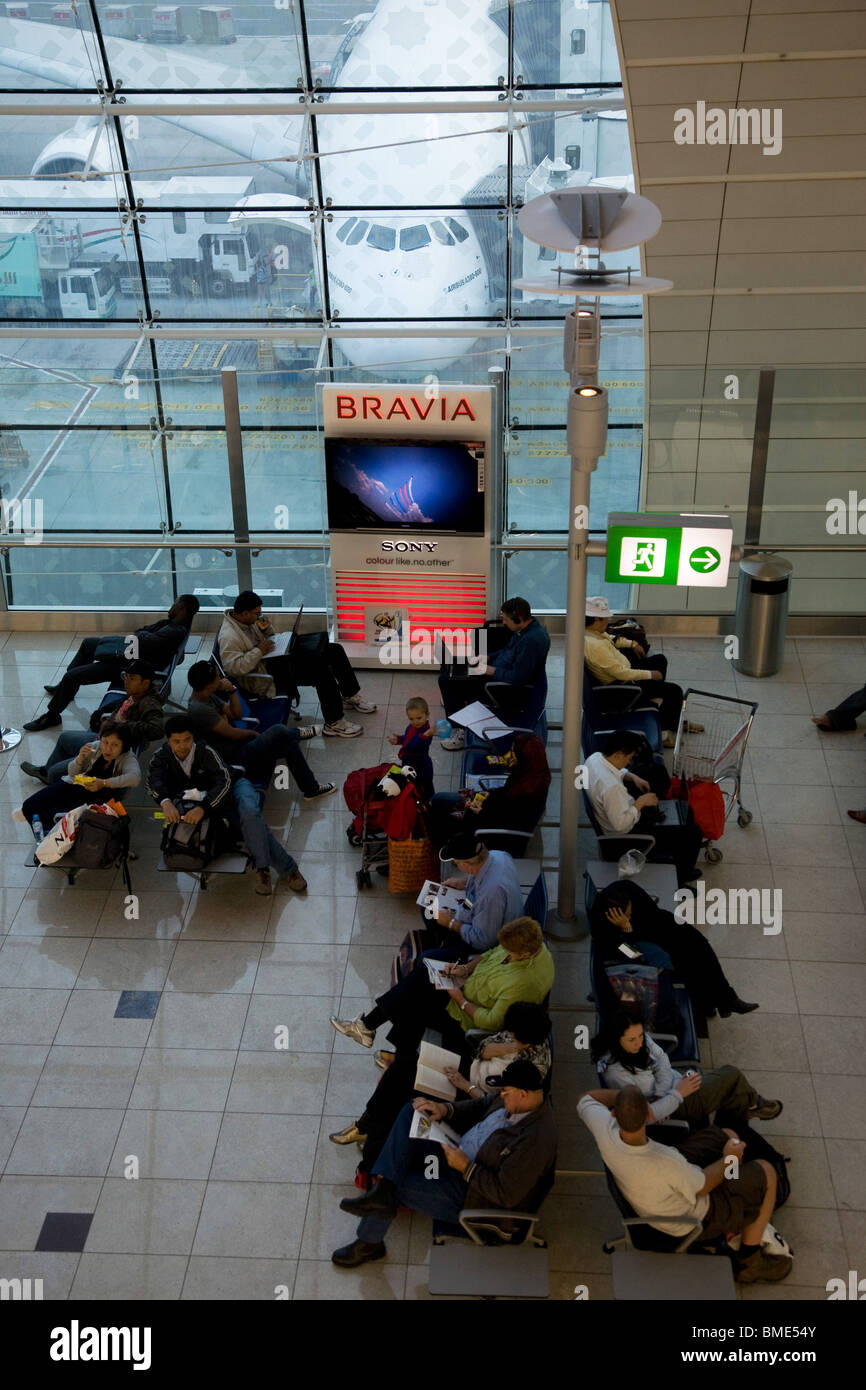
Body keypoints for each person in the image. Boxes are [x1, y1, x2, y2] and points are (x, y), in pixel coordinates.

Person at [328, 917, 554, 1157]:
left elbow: (494, 1100)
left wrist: (465, 1083)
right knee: (412, 1011)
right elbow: (490, 955)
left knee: (407, 1064)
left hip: (466, 1069)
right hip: (470, 1055)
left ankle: (368, 1124)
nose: (505, 954)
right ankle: (370, 1120)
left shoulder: (522, 1063)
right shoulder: (514, 1038)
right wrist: (465, 970)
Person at [331, 1059, 557, 1268]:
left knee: (394, 1183)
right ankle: (382, 1192)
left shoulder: (535, 1140)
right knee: (413, 1111)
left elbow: (506, 1194)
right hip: (457, 1151)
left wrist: (466, 1168)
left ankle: (370, 1242)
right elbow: (482, 1104)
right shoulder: (515, 1101)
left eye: (506, 1093)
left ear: (524, 1095)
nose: (501, 1096)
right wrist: (444, 1109)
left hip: (470, 1193)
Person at [578, 1086, 792, 1283]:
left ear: (614, 1113)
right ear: (648, 1115)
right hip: (692, 1217)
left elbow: (586, 1098)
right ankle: (749, 1260)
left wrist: (626, 1101)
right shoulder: (666, 1162)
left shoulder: (605, 1127)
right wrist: (729, 1160)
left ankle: (738, 1191)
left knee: (730, 1136)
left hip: (662, 1187)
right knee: (767, 1170)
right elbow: (703, 1186)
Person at [145, 714, 307, 896]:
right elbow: (153, 781)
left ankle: (264, 868)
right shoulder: (161, 757)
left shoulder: (205, 751)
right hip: (209, 800)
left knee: (250, 813)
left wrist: (203, 807)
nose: (182, 746)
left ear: (193, 737)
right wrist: (165, 802)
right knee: (250, 827)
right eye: (176, 741)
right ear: (168, 741)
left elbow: (225, 781)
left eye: (187, 740)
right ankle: (285, 870)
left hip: (234, 786)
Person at [23, 596, 199, 732]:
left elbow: (141, 636)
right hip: (133, 654)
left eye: (175, 604)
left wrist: (141, 636)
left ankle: (52, 715)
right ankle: (64, 688)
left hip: (128, 668)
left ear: (182, 608)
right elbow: (140, 635)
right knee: (88, 644)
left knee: (73, 676)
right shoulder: (171, 624)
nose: (172, 606)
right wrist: (142, 636)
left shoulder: (174, 631)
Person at [589, 879, 759, 1018]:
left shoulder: (625, 888)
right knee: (683, 961)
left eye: (630, 911)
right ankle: (713, 1003)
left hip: (655, 926)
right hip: (635, 941)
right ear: (613, 917)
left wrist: (636, 926)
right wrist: (626, 929)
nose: (630, 915)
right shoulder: (602, 929)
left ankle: (725, 999)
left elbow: (653, 914)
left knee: (699, 944)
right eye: (627, 916)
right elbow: (630, 951)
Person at [217, 591, 376, 738]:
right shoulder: (229, 637)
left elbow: (267, 637)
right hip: (266, 675)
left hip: (273, 658)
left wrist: (266, 630)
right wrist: (258, 651)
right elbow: (234, 669)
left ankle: (349, 694)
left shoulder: (247, 620)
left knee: (333, 649)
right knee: (321, 670)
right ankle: (334, 722)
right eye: (256, 613)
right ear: (244, 613)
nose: (260, 615)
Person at [590, 1011, 781, 1131]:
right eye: (632, 1040)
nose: (639, 1043)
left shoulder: (633, 1034)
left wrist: (663, 1088)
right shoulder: (618, 1074)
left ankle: (737, 1119)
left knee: (733, 1092)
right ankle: (751, 1107)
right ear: (616, 1039)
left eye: (641, 1036)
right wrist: (678, 1092)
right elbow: (647, 1116)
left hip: (675, 1085)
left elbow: (662, 1057)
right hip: (676, 1103)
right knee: (732, 1075)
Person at [185, 660, 335, 803]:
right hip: (232, 759)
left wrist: (231, 690)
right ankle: (297, 733)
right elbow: (233, 733)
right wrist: (254, 735)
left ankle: (311, 789)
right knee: (279, 731)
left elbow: (236, 714)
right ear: (209, 685)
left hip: (238, 745)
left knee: (288, 743)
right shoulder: (200, 710)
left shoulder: (208, 696)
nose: (221, 678)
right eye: (218, 676)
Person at [585, 730, 703, 886]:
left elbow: (614, 770)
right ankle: (681, 877)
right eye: (628, 758)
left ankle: (682, 859)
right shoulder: (612, 788)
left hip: (618, 810)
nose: (628, 762)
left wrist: (633, 777)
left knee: (682, 812)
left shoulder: (594, 758)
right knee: (693, 832)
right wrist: (641, 803)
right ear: (618, 754)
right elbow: (621, 826)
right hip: (627, 835)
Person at [20, 659, 165, 785]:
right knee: (65, 739)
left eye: (132, 678)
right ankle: (48, 771)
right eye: (126, 676)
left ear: (145, 682)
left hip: (111, 748)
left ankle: (54, 775)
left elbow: (156, 730)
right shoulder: (137, 694)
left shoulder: (149, 703)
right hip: (104, 737)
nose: (126, 681)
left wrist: (121, 726)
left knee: (55, 773)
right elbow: (121, 707)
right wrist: (103, 713)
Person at [440, 596, 550, 751]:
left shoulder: (530, 641)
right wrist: (488, 657)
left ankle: (458, 730)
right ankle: (453, 700)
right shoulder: (525, 629)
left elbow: (517, 678)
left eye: (506, 619)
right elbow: (507, 651)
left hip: (502, 685)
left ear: (518, 619)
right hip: (493, 668)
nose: (503, 622)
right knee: (448, 667)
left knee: (447, 680)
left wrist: (488, 670)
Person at [584, 595, 693, 748]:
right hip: (623, 687)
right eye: (605, 619)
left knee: (660, 660)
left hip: (626, 672)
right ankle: (664, 731)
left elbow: (612, 638)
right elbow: (621, 673)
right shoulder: (595, 647)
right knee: (674, 691)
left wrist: (632, 644)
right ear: (596, 620)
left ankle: (661, 704)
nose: (608, 621)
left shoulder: (591, 633)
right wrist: (650, 675)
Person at [428, 732, 550, 848]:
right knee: (439, 801)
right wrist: (491, 793)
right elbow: (507, 794)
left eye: (513, 752)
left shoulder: (528, 794)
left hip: (491, 826)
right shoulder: (528, 773)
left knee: (441, 808)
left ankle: (439, 844)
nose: (510, 754)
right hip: (491, 808)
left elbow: (510, 821)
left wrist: (481, 813)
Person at [420, 830, 526, 958]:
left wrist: (451, 923)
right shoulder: (499, 855)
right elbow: (484, 885)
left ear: (466, 864)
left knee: (424, 959)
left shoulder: (491, 894)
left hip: (490, 946)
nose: (455, 865)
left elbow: (483, 942)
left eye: (455, 862)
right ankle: (443, 944)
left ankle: (444, 949)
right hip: (478, 914)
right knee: (427, 903)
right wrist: (464, 883)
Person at [18, 722, 141, 830]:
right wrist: (79, 760)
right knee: (29, 806)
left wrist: (103, 783)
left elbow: (134, 778)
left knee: (57, 815)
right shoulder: (95, 747)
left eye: (115, 745)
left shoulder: (127, 757)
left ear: (123, 746)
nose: (108, 748)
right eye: (105, 742)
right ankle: (48, 834)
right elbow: (72, 773)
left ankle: (57, 835)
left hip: (96, 798)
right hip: (73, 785)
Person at [444, 1000, 552, 1098]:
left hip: (474, 1091)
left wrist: (465, 1085)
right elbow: (482, 1050)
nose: (509, 1036)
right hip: (473, 1064)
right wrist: (512, 1047)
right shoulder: (518, 1029)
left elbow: (497, 1103)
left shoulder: (533, 1070)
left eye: (513, 1036)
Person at [387, 696, 434, 796]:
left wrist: (425, 735)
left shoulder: (427, 733)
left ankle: (430, 802)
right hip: (409, 763)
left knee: (426, 787)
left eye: (419, 718)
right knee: (413, 787)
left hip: (421, 767)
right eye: (411, 719)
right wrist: (399, 740)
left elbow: (415, 745)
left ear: (427, 715)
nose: (415, 722)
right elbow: (409, 738)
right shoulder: (411, 726)